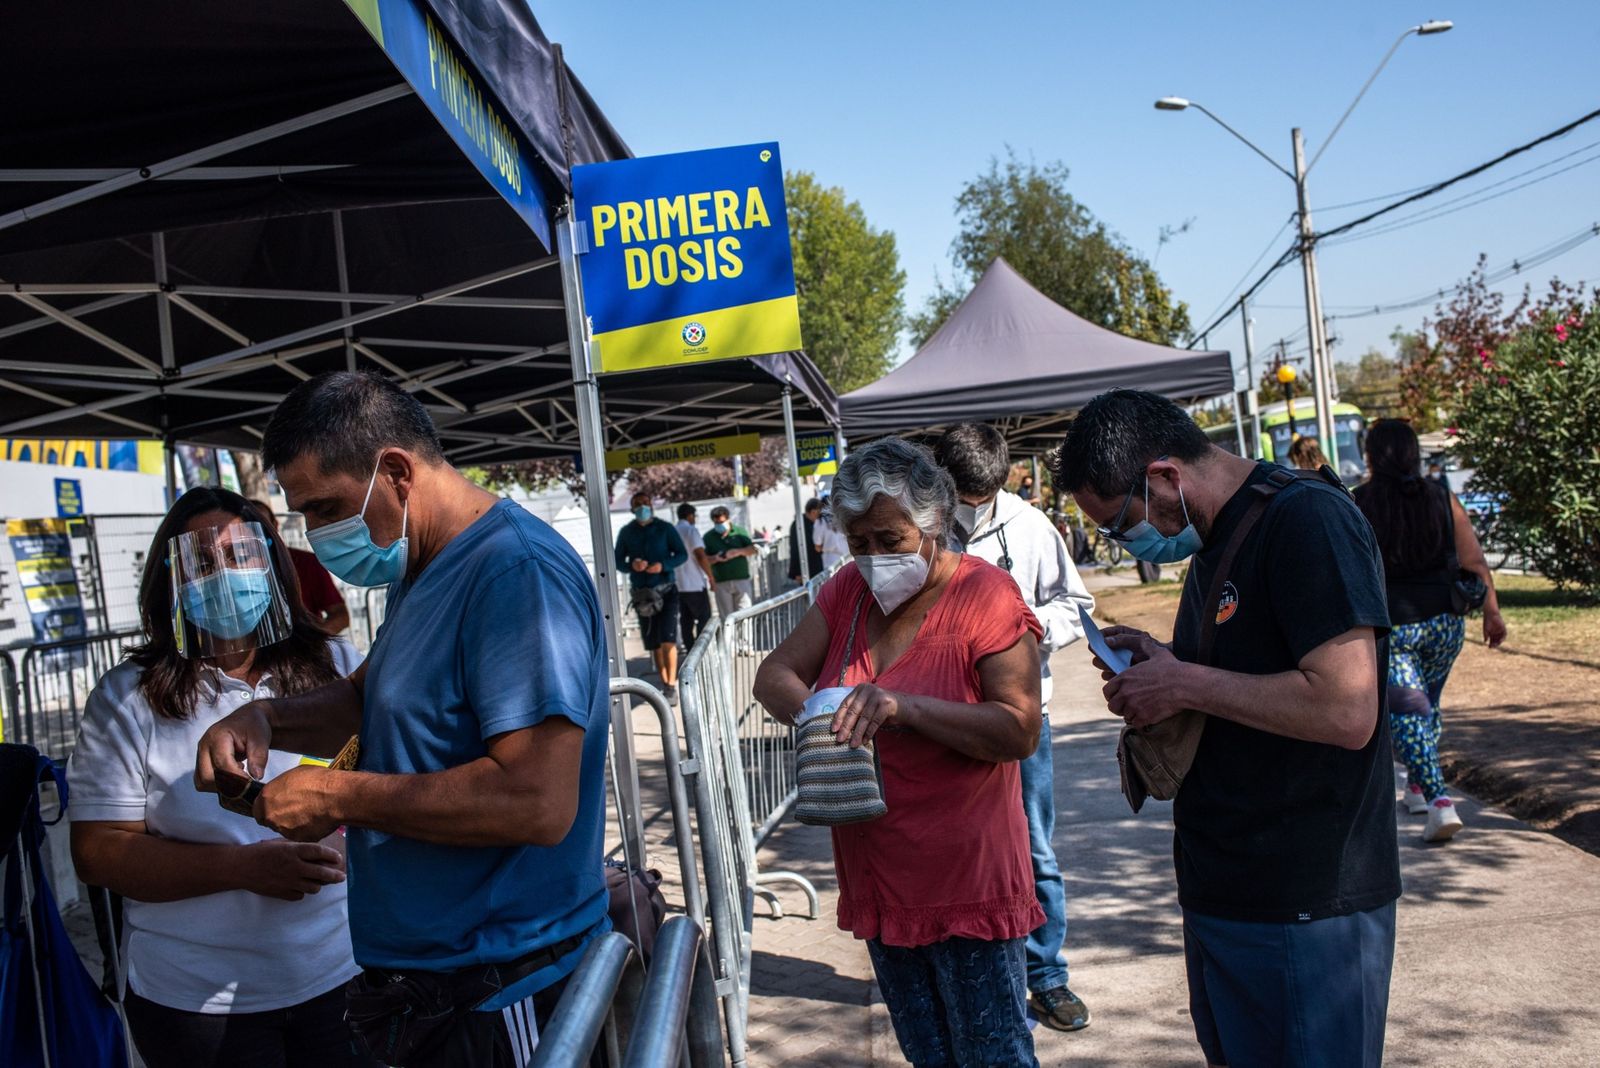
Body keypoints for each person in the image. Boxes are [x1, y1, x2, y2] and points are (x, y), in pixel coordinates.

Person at [193, 371, 612, 1066]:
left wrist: (335, 793)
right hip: (435, 980)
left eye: (327, 508)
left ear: (394, 471)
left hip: (504, 980)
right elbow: (371, 698)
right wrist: (267, 721)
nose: (320, 534)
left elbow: (536, 801)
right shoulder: (425, 565)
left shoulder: (513, 572)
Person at [1053, 389, 1399, 1068]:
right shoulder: (1216, 538)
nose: (1125, 544)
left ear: (1164, 478)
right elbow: (1244, 671)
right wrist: (1167, 663)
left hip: (1305, 900)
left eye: (1121, 524)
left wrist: (1185, 682)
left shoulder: (1305, 521)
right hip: (1229, 887)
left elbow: (1347, 708)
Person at [753, 438, 1044, 1067]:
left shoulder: (985, 597)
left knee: (993, 1053)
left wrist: (902, 707)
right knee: (927, 1054)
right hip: (880, 874)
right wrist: (824, 710)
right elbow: (774, 674)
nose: (875, 558)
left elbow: (1020, 730)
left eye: (890, 539)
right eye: (860, 544)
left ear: (934, 523)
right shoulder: (846, 594)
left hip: (965, 875)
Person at [68, 488, 367, 1068]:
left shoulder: (339, 668)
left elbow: (384, 778)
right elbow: (97, 851)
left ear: (275, 566)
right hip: (196, 1006)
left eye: (241, 556)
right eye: (201, 564)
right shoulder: (128, 698)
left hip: (343, 975)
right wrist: (242, 869)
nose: (225, 577)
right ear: (170, 580)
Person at [935, 423, 1095, 1033]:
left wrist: (1024, 636)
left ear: (1003, 481)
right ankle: (975, 974)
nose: (971, 512)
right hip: (944, 721)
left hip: (1023, 718)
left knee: (1035, 851)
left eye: (984, 498)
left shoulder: (1031, 527)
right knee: (960, 850)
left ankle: (1045, 975)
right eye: (960, 499)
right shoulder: (921, 528)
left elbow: (1074, 605)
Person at [1353, 419, 1506, 842]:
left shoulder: (1358, 503)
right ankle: (1418, 787)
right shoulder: (1442, 497)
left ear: (1370, 456)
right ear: (1413, 454)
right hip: (1445, 624)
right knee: (1428, 706)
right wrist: (1492, 612)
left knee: (1408, 709)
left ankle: (1439, 801)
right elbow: (1474, 560)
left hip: (1394, 626)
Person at [616, 492, 688, 702]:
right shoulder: (627, 532)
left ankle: (671, 685)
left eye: (645, 503)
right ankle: (664, 682)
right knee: (654, 643)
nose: (642, 507)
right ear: (632, 509)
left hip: (666, 590)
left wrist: (663, 565)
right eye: (637, 505)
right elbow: (618, 560)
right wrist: (632, 566)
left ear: (652, 506)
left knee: (668, 639)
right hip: (643, 595)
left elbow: (681, 554)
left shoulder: (665, 528)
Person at [250, 499, 351, 636]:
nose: (255, 535)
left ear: (275, 525)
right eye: (248, 529)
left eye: (263, 527)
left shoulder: (306, 563)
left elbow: (340, 616)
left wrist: (310, 643)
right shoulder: (231, 574)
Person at [673, 503, 715, 651]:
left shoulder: (673, 530)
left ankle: (690, 651)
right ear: (690, 515)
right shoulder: (690, 530)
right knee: (703, 619)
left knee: (686, 621)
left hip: (678, 584)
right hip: (694, 584)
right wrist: (711, 577)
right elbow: (700, 555)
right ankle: (701, 652)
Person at [704, 505, 758, 619]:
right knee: (726, 617)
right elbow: (704, 559)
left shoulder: (740, 532)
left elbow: (753, 549)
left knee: (745, 614)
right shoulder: (708, 537)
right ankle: (729, 637)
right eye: (716, 523)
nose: (719, 525)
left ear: (728, 519)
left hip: (741, 579)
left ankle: (745, 637)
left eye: (722, 522)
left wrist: (737, 552)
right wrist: (715, 558)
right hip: (721, 582)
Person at [788, 497, 824, 583]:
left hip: (815, 567)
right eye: (819, 512)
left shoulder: (813, 523)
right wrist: (797, 572)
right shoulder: (798, 525)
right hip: (805, 569)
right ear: (813, 512)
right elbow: (795, 549)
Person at [813, 496, 851, 571]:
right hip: (848, 557)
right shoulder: (845, 517)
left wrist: (827, 546)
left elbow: (817, 546)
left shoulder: (820, 522)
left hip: (830, 560)